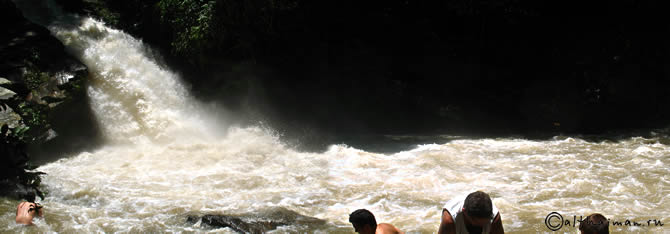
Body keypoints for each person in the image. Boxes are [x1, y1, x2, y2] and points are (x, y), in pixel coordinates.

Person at [438, 191, 504, 234]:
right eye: (477, 223)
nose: (480, 226)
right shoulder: (450, 220)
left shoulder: (494, 218)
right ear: (464, 212)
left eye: (484, 223)